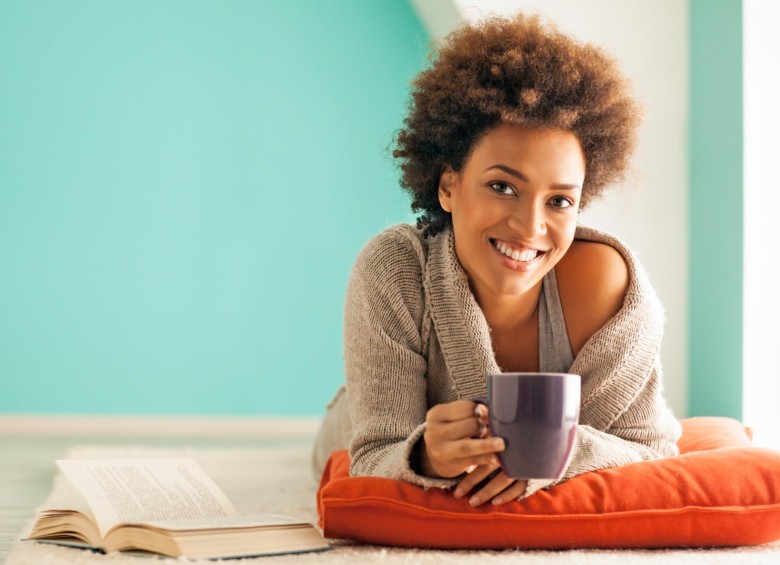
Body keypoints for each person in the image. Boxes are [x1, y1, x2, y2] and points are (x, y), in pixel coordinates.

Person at [312, 13, 681, 507]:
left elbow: (653, 449)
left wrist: (564, 454)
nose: (531, 227)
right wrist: (423, 456)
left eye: (559, 200)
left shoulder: (607, 286)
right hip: (351, 424)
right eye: (502, 187)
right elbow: (375, 452)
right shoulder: (395, 269)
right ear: (448, 186)